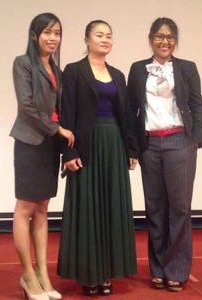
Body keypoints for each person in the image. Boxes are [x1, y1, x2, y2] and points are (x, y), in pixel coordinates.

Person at [57, 20, 138, 296]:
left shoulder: (117, 74)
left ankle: (107, 272)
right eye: (99, 35)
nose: (105, 39)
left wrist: (131, 149)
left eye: (109, 36)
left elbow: (125, 115)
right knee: (88, 209)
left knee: (111, 208)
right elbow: (65, 112)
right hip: (86, 146)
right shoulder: (74, 71)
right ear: (87, 39)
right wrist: (68, 152)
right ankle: (89, 274)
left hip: (113, 143)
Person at [127, 17, 202, 292]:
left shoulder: (187, 68)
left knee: (180, 209)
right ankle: (158, 269)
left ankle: (176, 270)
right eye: (160, 37)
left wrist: (196, 139)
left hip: (179, 142)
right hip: (150, 144)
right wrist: (133, 147)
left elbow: (197, 104)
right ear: (151, 39)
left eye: (170, 37)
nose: (165, 42)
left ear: (176, 41)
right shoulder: (138, 69)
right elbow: (130, 111)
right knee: (156, 209)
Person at [10, 13, 74, 300]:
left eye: (57, 33)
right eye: (47, 32)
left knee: (43, 209)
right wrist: (57, 128)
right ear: (35, 35)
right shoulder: (23, 64)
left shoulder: (58, 72)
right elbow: (26, 107)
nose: (53, 38)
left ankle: (43, 274)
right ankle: (27, 275)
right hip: (30, 141)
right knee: (25, 209)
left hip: (49, 145)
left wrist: (61, 137)